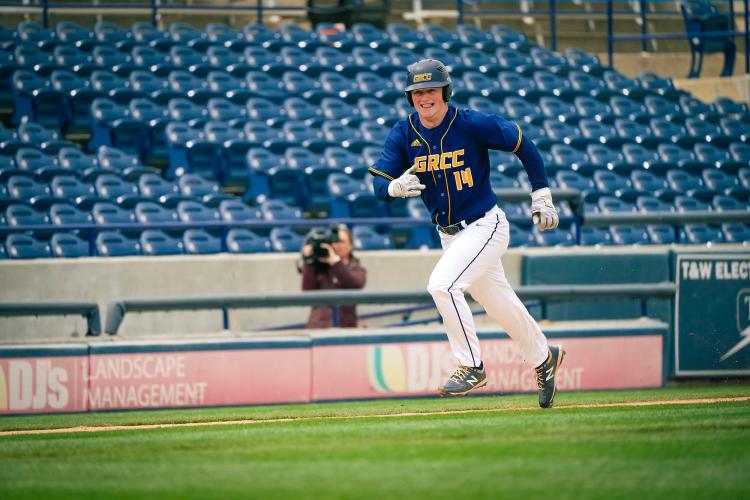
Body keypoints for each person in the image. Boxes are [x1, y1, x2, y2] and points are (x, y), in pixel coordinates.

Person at [368, 59, 565, 408]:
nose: (423, 97)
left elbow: (523, 144)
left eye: (430, 90)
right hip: (450, 235)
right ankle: (543, 357)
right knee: (501, 306)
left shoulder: (471, 123)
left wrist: (542, 193)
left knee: (442, 285)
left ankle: (470, 365)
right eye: (416, 92)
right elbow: (378, 184)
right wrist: (395, 187)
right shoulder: (404, 132)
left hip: (484, 225)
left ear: (445, 92)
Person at [300, 224, 367, 328]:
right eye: (335, 241)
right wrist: (309, 261)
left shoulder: (357, 269)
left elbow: (355, 283)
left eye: (342, 241)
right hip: (318, 327)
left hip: (344, 328)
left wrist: (335, 262)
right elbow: (307, 291)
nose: (338, 245)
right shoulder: (319, 267)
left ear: (350, 246)